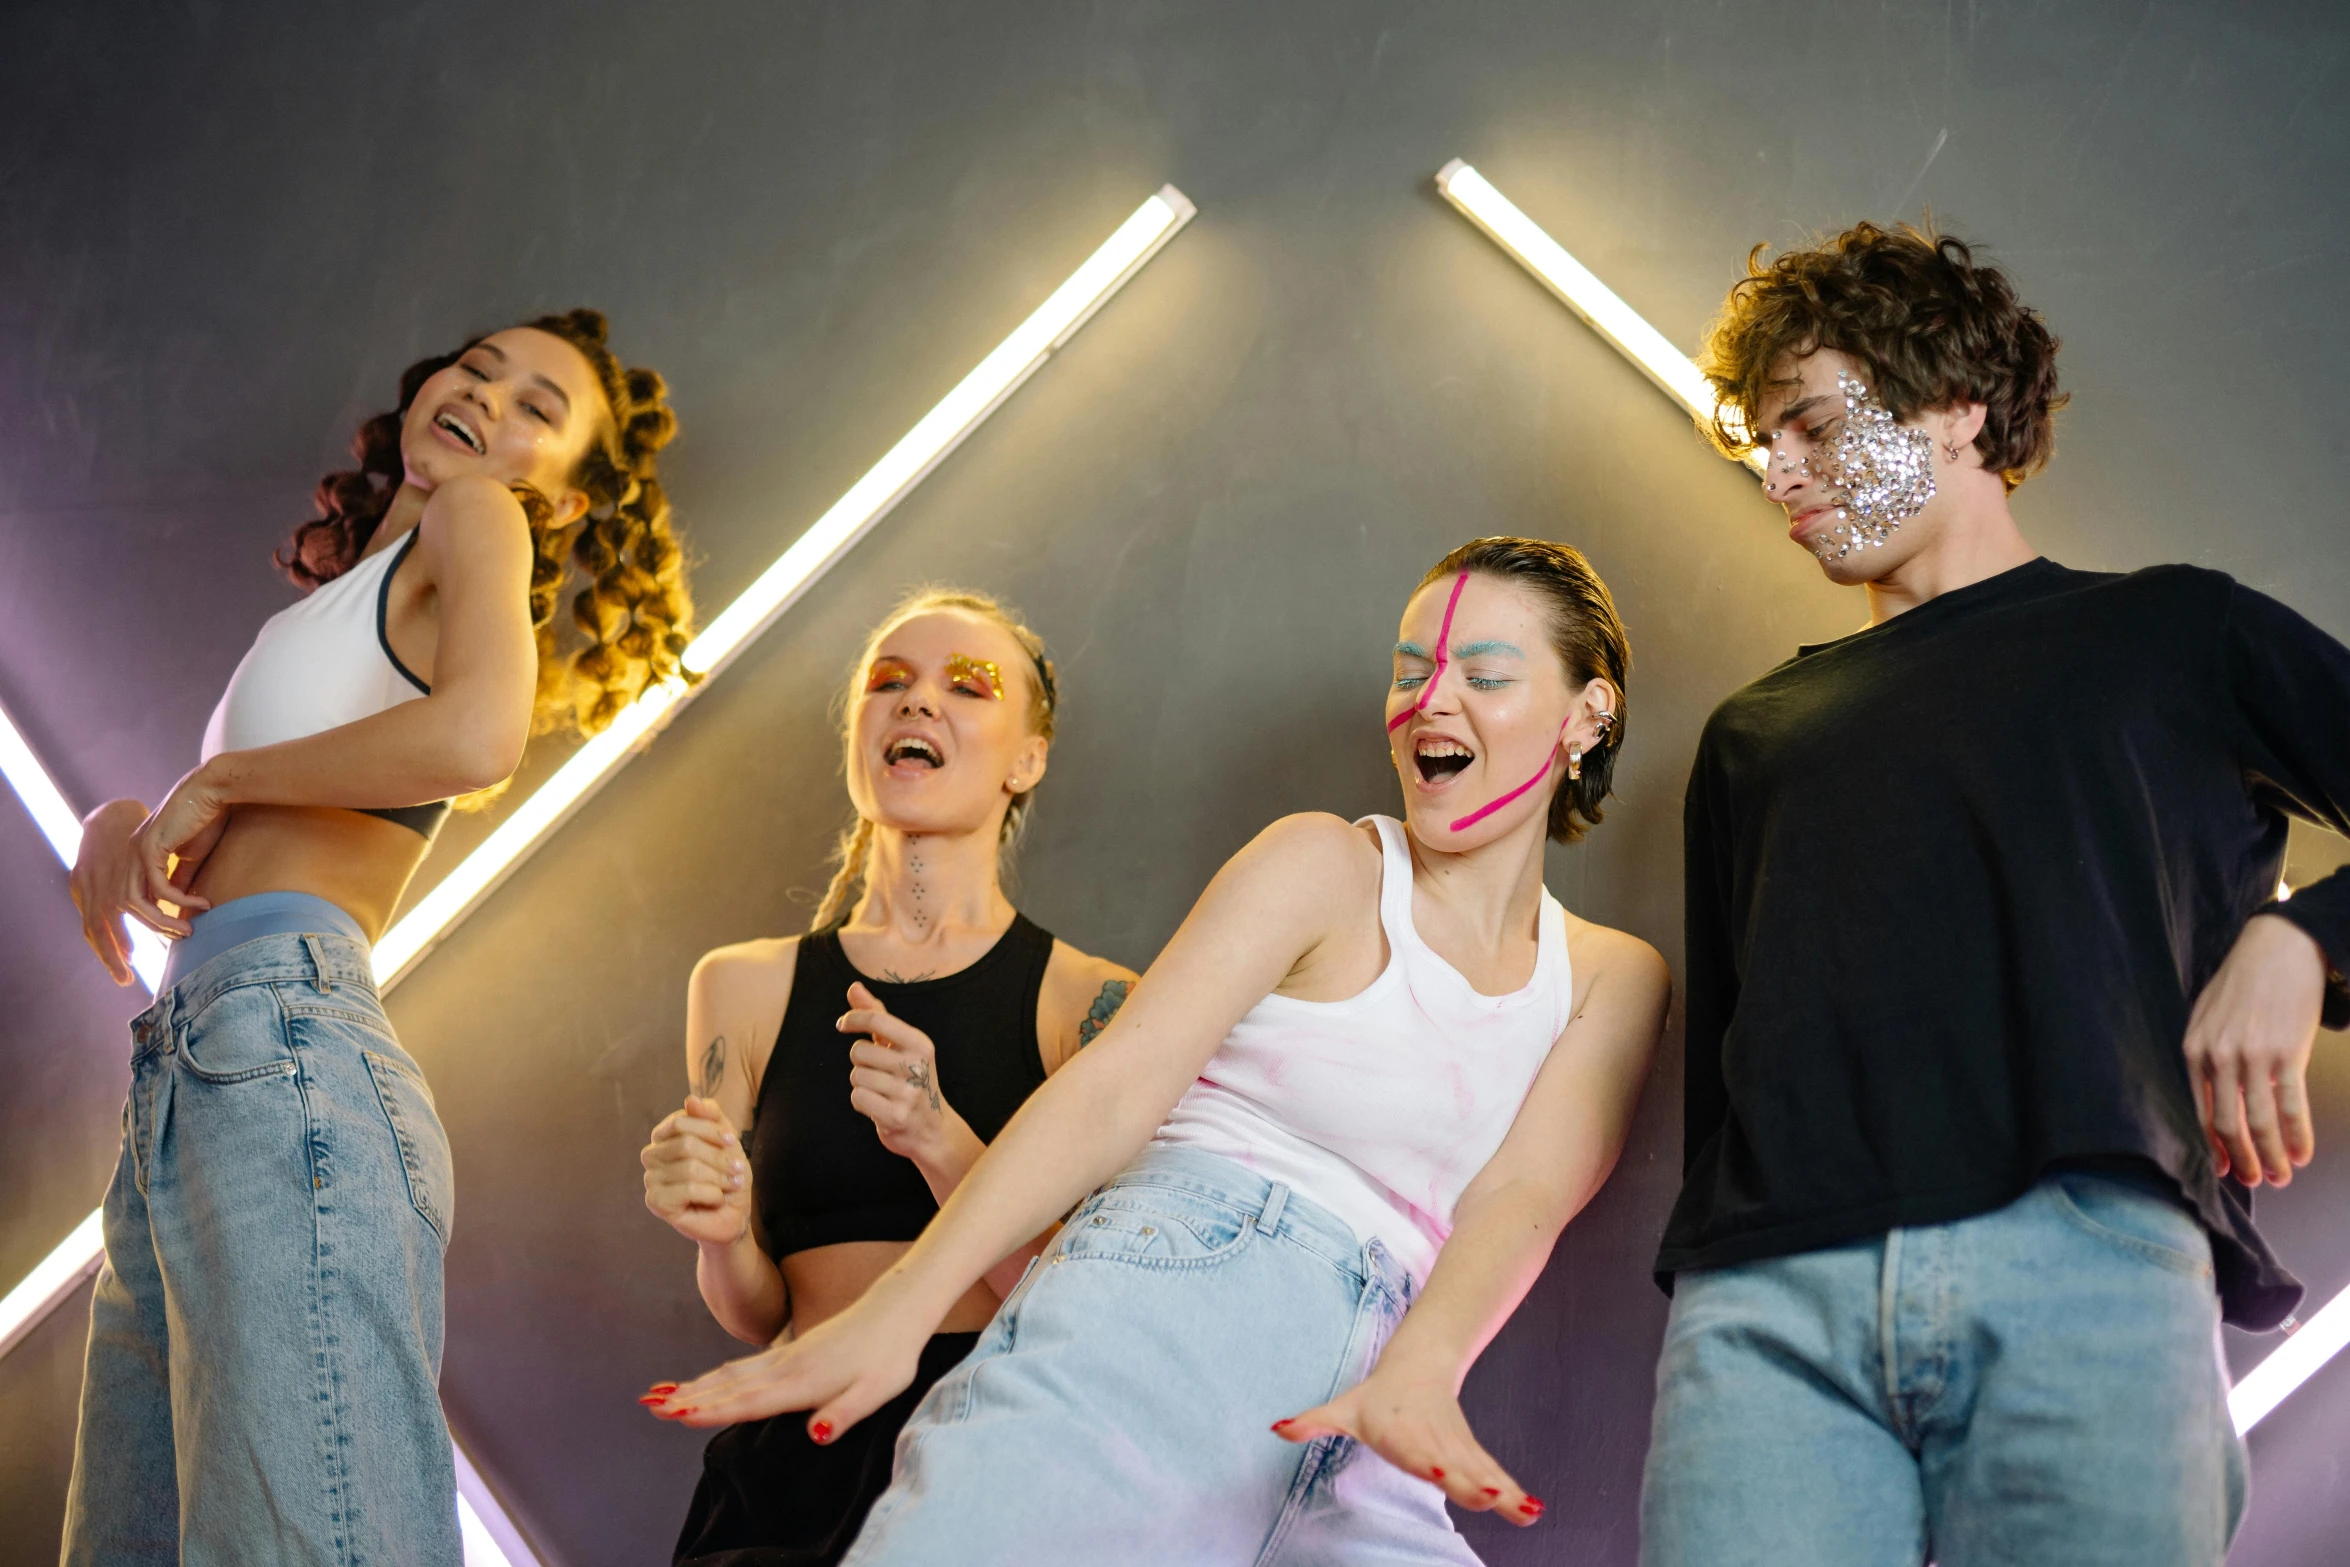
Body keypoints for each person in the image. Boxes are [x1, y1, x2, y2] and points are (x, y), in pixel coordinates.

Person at [647, 537, 1672, 1567]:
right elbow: (1115, 1088)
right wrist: (899, 1311)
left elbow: (1520, 1199)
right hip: (1160, 1309)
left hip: (1369, 1408)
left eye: (1483, 676)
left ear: (1590, 712)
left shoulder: (1607, 977)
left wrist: (1426, 1368)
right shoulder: (1321, 860)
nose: (1428, 703)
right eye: (1410, 673)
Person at [1640, 223, 2350, 1567]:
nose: (1775, 472)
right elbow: (1727, 1084)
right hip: (1764, 1307)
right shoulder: (1753, 731)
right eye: (1759, 441)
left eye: (1806, 421)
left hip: (2085, 1263)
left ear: (1956, 405)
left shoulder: (2171, 631)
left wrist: (2301, 934)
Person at [61, 309, 693, 1566]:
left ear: (557, 500)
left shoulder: (483, 517)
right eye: (478, 367)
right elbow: (246, 820)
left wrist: (228, 778)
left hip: (283, 1049)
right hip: (196, 1069)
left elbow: (475, 741)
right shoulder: (337, 606)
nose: (488, 398)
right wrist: (123, 819)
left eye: (536, 410)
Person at [640, 587, 1138, 1566]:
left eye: (968, 685)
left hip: (992, 1456)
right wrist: (717, 1229)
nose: (917, 702)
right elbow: (761, 1310)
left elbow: (1097, 1310)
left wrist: (939, 1138)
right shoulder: (741, 986)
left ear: (1026, 759)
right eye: (889, 682)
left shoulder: (1093, 1004)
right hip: (792, 1457)